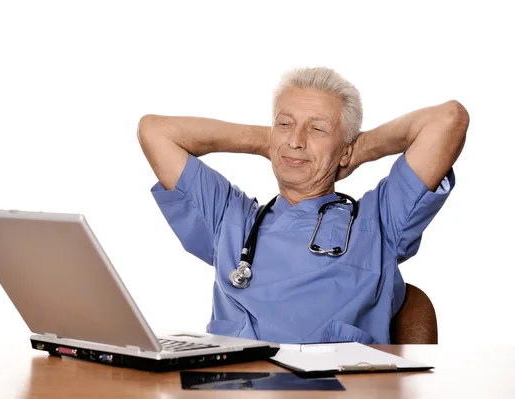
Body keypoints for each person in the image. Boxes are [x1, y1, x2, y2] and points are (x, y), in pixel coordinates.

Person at [137, 67, 468, 344]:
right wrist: (266, 141)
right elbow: (155, 131)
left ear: (345, 149)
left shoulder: (379, 220)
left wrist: (360, 148)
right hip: (232, 389)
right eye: (284, 124)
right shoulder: (228, 216)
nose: (296, 140)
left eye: (317, 128)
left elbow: (448, 119)